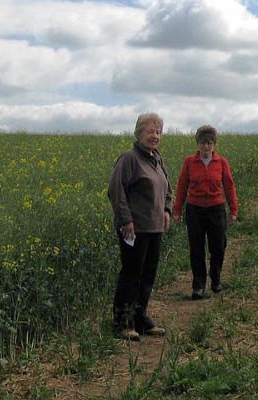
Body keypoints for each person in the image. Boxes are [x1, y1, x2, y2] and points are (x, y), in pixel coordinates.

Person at [108, 112, 172, 341]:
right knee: (131, 274)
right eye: (150, 131)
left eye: (158, 132)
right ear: (139, 133)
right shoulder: (129, 158)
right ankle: (122, 322)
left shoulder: (157, 158)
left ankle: (140, 318)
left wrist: (167, 210)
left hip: (154, 228)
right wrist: (126, 221)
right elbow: (116, 191)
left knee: (148, 274)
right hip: (134, 229)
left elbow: (166, 190)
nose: (155, 136)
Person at [173, 125, 238, 300]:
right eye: (203, 143)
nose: (206, 147)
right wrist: (177, 210)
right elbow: (181, 186)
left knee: (218, 246)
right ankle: (198, 285)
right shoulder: (189, 162)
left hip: (216, 209)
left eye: (209, 143)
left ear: (214, 144)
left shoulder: (221, 162)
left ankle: (215, 279)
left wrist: (233, 210)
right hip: (194, 210)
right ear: (197, 144)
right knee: (196, 248)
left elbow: (229, 186)